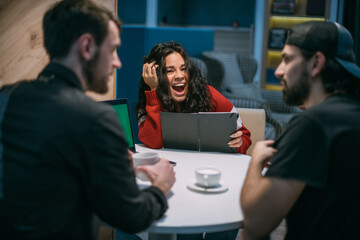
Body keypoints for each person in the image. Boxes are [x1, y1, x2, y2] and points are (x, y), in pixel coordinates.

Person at [0, 0, 176, 239]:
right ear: (87, 47)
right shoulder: (96, 119)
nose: (117, 62)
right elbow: (131, 216)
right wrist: (161, 187)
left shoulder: (6, 97)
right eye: (112, 49)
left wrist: (104, 157)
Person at [240, 21, 360, 240]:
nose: (278, 71)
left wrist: (256, 161)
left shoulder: (313, 124)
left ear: (316, 64)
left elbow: (256, 222)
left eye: (287, 59)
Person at [136, 41, 252, 154]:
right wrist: (153, 92)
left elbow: (244, 136)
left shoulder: (208, 94)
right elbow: (153, 142)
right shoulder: (150, 100)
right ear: (155, 75)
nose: (180, 76)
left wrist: (239, 143)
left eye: (183, 69)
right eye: (170, 71)